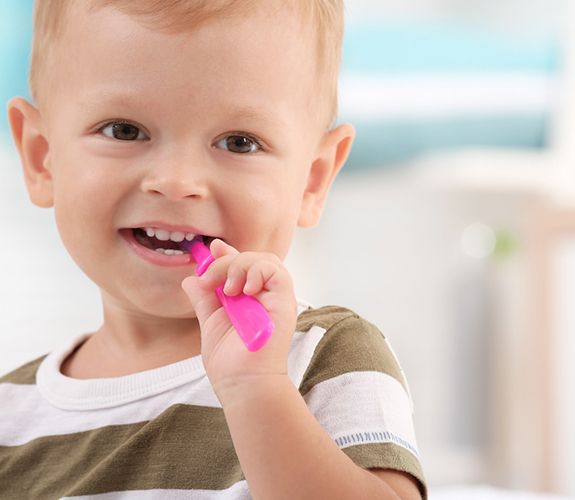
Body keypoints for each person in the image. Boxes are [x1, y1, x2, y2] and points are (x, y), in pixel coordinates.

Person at [1, 0, 427, 498]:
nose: (177, 182)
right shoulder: (11, 417)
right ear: (41, 158)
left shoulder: (325, 357)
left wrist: (257, 390)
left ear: (312, 180)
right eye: (124, 130)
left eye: (239, 142)